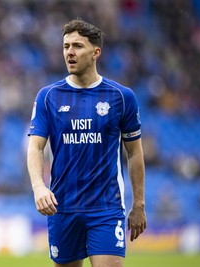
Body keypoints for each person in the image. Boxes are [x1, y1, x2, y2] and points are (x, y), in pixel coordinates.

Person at [27, 19, 146, 267]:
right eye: (66, 46)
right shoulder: (48, 96)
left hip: (106, 207)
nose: (69, 52)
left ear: (96, 52)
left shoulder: (122, 97)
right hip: (63, 208)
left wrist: (139, 204)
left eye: (78, 46)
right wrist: (39, 187)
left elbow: (134, 153)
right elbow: (36, 146)